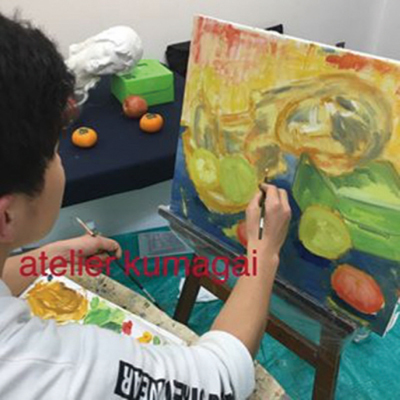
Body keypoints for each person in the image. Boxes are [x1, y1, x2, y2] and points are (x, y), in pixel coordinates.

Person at [0, 13, 291, 400]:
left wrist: (50, 257)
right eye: (54, 151)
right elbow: (220, 377)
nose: (61, 161)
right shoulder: (52, 368)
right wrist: (264, 254)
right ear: (6, 216)